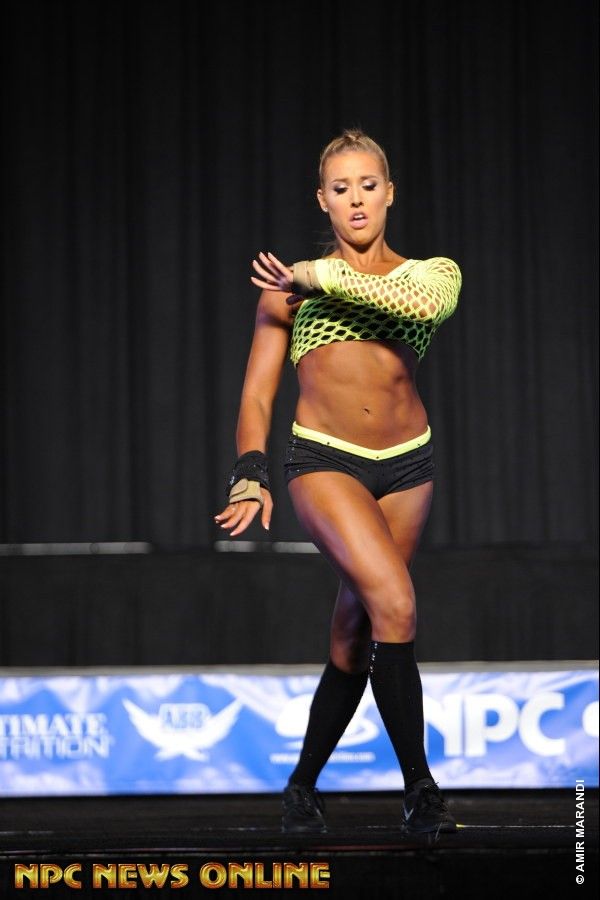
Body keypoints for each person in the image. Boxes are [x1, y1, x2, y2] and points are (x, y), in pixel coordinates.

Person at [215, 129, 461, 836]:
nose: (356, 200)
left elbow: (420, 308)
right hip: (325, 460)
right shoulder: (286, 295)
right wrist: (250, 471)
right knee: (396, 604)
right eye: (341, 188)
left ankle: (301, 787)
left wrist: (315, 275)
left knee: (356, 633)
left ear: (389, 193)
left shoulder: (430, 274)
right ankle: (421, 792)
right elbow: (257, 395)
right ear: (322, 200)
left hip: (409, 466)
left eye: (368, 186)